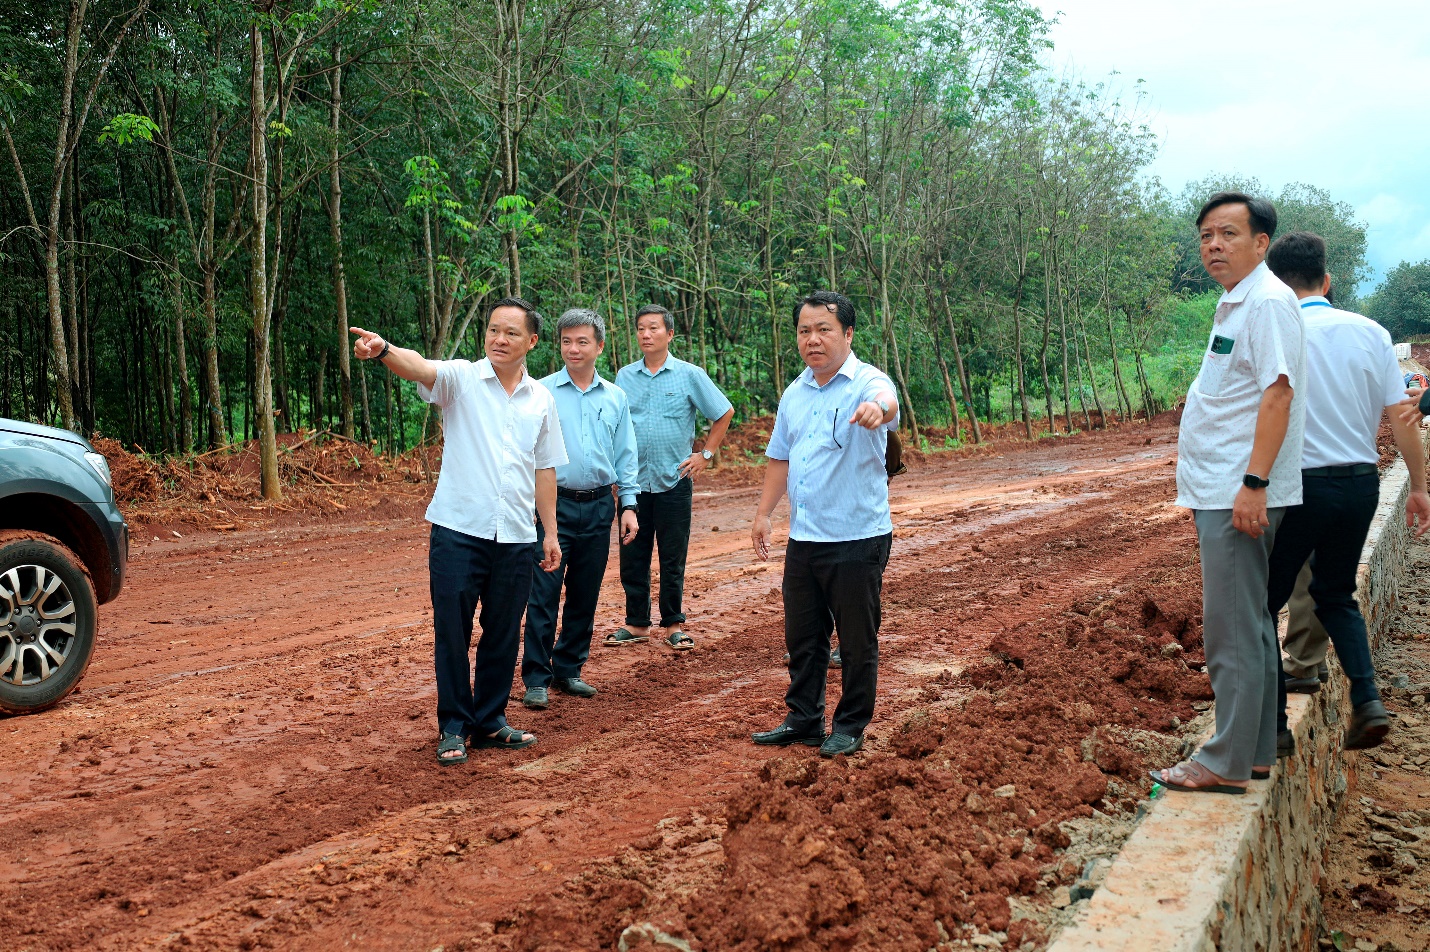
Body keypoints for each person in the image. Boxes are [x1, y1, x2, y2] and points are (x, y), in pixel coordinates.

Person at [350, 298, 566, 765]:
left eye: (511, 332)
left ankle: (490, 721)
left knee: (503, 632)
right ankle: (453, 726)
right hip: (458, 531)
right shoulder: (463, 378)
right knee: (452, 631)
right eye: (493, 330)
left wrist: (549, 533)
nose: (499, 339)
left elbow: (544, 468)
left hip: (516, 535)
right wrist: (384, 349)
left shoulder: (541, 399)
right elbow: (419, 366)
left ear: (531, 341)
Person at [1150, 192, 1306, 794]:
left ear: (1261, 243)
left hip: (1236, 489)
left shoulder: (1265, 303)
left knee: (1231, 629)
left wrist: (1253, 484)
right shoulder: (1239, 302)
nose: (1214, 245)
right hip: (1225, 486)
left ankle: (1224, 761)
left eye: (1228, 234)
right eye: (1206, 236)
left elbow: (1278, 394)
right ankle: (1255, 750)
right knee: (1251, 622)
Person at [1263, 232, 1430, 750]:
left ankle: (1274, 729)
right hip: (1359, 484)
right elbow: (1403, 416)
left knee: (1261, 604)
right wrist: (1419, 486)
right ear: (1327, 280)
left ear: (1275, 283)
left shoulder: (1273, 331)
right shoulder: (1372, 332)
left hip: (1298, 487)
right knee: (1336, 593)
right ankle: (1369, 700)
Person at [750, 290, 899, 758]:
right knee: (804, 637)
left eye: (823, 330)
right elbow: (780, 457)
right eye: (804, 331)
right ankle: (804, 719)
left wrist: (879, 411)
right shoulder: (795, 393)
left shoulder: (867, 381)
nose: (812, 339)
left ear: (848, 334)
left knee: (856, 640)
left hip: (857, 537)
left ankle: (850, 724)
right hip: (805, 537)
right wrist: (763, 514)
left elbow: (888, 401)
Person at [520, 309, 640, 709]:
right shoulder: (541, 392)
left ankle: (568, 669)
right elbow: (526, 452)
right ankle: (536, 678)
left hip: (599, 506)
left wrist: (628, 505)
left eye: (582, 341)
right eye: (566, 341)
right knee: (543, 593)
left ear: (599, 347)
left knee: (585, 593)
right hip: (552, 507)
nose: (573, 348)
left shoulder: (616, 397)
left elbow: (625, 454)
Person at [606, 304, 734, 651]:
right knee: (633, 554)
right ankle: (637, 623)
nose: (646, 334)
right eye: (641, 328)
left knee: (672, 557)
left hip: (674, 481)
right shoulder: (624, 377)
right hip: (633, 483)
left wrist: (705, 455)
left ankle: (673, 624)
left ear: (670, 334)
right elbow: (615, 425)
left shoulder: (689, 375)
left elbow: (723, 412)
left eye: (654, 328)